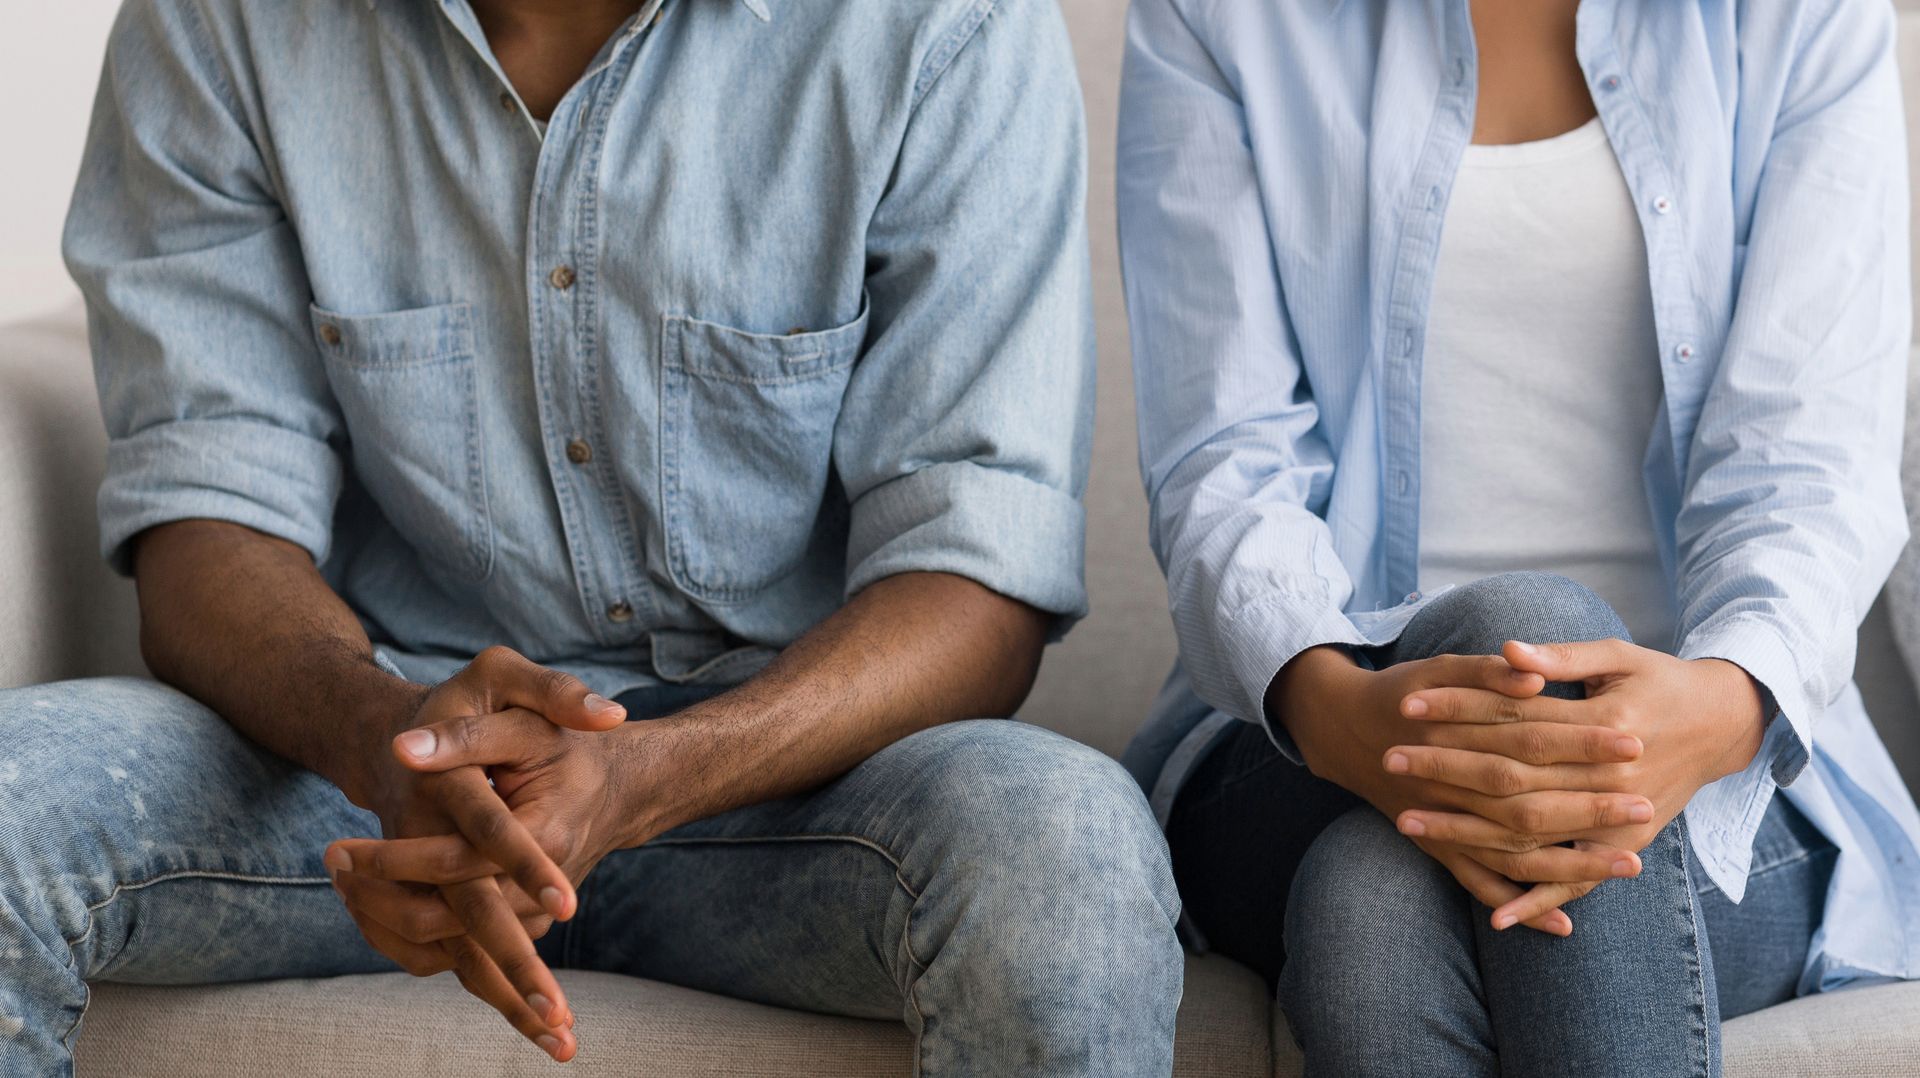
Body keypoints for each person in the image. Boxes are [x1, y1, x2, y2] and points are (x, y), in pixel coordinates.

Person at [0, 1, 1186, 1074]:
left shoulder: (946, 25)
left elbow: (975, 582)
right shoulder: (222, 24)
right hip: (369, 778)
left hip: (799, 790)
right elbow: (210, 526)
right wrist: (391, 741)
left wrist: (638, 777)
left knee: (1062, 842)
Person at [1116, 0, 1920, 1074]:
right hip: (1311, 733)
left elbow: (1811, 457)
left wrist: (1717, 706)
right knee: (1530, 635)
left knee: (1374, 905)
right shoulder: (1218, 16)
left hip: (1707, 751)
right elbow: (1220, 455)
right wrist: (1339, 708)